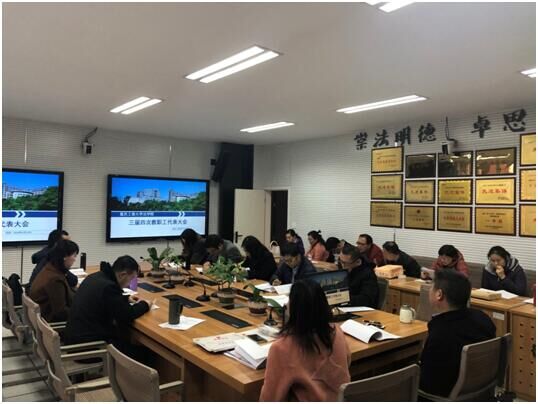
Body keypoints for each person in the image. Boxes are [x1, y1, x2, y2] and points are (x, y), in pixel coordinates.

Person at [260, 279, 350, 401]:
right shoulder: (337, 332)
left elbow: (270, 398)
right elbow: (347, 362)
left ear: (294, 308)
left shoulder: (282, 348)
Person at [419, 269, 496, 397]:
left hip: (445, 396)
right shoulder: (483, 318)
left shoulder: (440, 333)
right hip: (480, 392)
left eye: (432, 286)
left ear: (439, 294)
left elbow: (428, 384)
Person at [65, 256, 152, 361]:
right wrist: (145, 305)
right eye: (132, 278)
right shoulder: (109, 287)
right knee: (149, 355)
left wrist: (125, 298)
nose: (130, 283)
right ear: (123, 274)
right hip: (89, 348)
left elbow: (104, 299)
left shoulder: (97, 276)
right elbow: (127, 315)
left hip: (75, 340)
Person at [29, 239, 79, 322]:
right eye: (74, 255)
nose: (75, 259)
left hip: (42, 317)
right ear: (65, 257)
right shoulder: (55, 279)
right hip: (51, 322)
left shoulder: (50, 268)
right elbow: (61, 313)